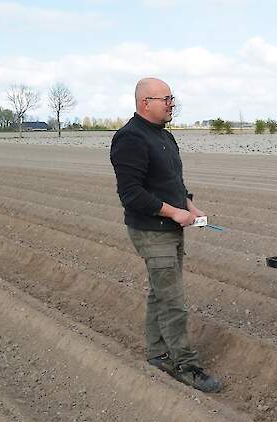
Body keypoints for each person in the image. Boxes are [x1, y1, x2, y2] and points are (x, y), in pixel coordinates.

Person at [110, 77, 223, 393]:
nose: (172, 103)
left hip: (169, 228)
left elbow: (172, 180)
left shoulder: (165, 137)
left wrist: (190, 206)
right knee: (172, 300)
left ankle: (158, 352)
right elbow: (131, 194)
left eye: (172, 98)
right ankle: (184, 364)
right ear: (145, 102)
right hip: (151, 231)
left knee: (160, 292)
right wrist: (174, 213)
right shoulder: (130, 139)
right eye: (166, 98)